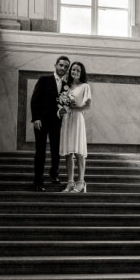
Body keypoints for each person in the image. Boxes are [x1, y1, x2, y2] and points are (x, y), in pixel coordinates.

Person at [30, 55, 70, 192]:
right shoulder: (44, 79)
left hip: (57, 123)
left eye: (66, 66)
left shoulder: (67, 86)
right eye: (61, 65)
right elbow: (35, 100)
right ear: (55, 65)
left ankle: (54, 173)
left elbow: (65, 105)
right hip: (41, 122)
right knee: (40, 152)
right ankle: (38, 182)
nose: (63, 68)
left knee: (56, 151)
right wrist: (36, 118)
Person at [59, 61, 92, 193]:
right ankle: (70, 182)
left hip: (77, 118)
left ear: (81, 73)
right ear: (70, 71)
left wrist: (77, 108)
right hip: (67, 119)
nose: (75, 72)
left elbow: (88, 105)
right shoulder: (66, 86)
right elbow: (61, 103)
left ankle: (81, 182)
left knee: (79, 152)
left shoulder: (85, 86)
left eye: (78, 70)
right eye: (73, 70)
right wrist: (62, 108)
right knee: (68, 152)